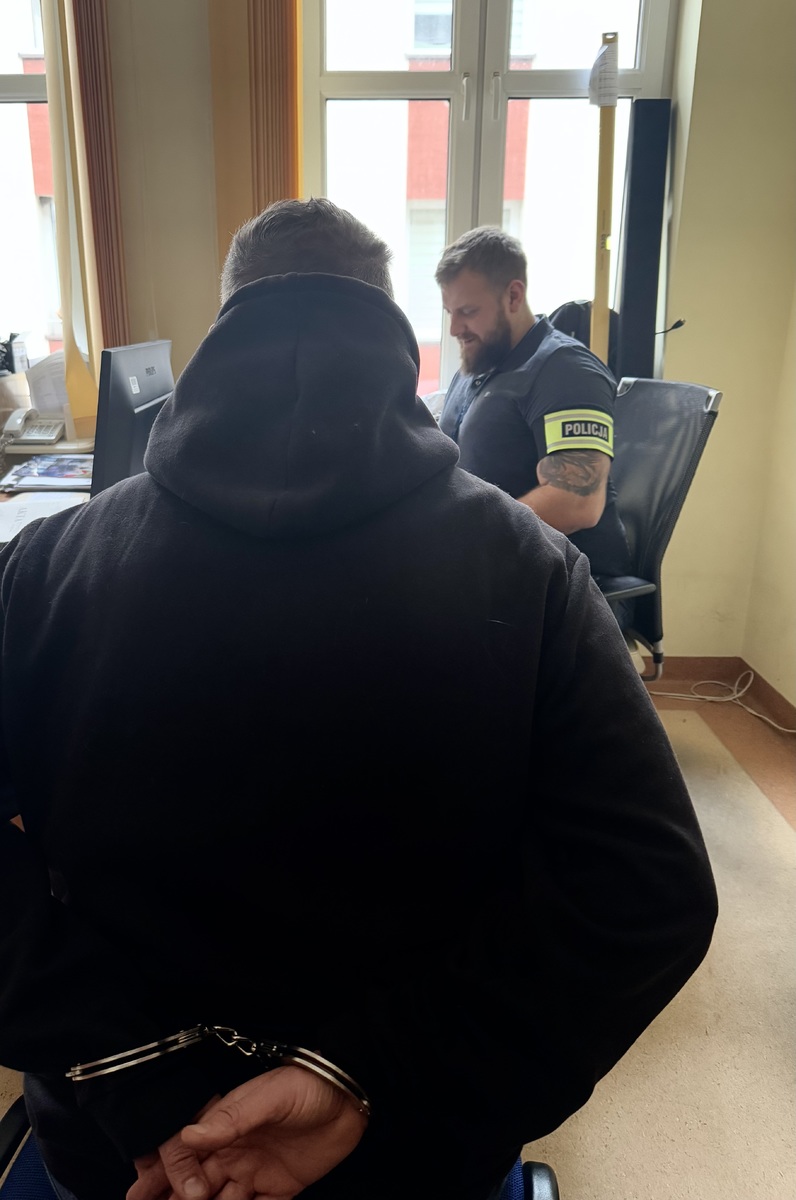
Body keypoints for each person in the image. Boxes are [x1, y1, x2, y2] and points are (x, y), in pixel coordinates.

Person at [0, 198, 717, 1200]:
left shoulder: (44, 566)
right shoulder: (532, 574)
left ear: (226, 322)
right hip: (407, 1143)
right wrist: (366, 1073)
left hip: (124, 1144)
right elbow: (646, 892)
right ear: (388, 324)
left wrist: (127, 1065)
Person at [435, 226, 631, 580]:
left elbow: (578, 502)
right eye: (450, 312)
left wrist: (467, 536)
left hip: (560, 582)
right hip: (489, 564)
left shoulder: (566, 370)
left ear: (513, 296)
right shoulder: (479, 365)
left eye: (468, 311)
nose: (455, 328)